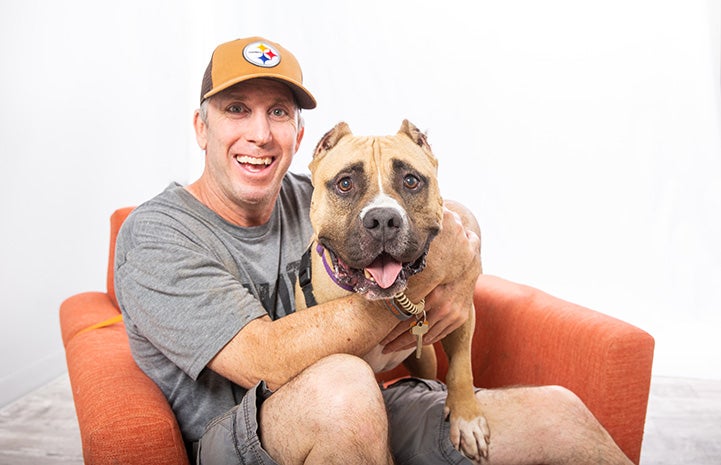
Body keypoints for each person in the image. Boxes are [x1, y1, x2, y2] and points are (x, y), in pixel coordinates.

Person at [114, 36, 634, 465]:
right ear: (201, 127)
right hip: (240, 438)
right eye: (235, 110)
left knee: (559, 417)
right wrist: (431, 278)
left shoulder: (321, 193)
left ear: (299, 136)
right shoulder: (157, 235)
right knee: (343, 385)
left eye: (278, 112)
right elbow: (264, 361)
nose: (260, 133)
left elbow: (443, 217)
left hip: (369, 401)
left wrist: (463, 238)